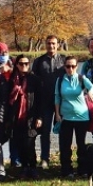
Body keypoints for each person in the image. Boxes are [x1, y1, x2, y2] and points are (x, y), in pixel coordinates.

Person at [55, 55, 93, 178]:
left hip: (82, 117)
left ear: (77, 66)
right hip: (66, 118)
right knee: (65, 146)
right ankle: (67, 170)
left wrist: (89, 92)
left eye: (73, 66)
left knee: (81, 145)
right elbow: (57, 97)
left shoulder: (81, 78)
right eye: (68, 66)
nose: (70, 69)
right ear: (64, 67)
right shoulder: (60, 80)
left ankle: (83, 170)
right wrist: (57, 114)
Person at [32, 35, 65, 169]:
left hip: (61, 102)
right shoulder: (39, 61)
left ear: (58, 45)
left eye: (53, 43)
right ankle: (45, 159)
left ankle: (64, 159)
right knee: (45, 132)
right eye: (49, 43)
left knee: (63, 131)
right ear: (45, 45)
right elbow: (33, 82)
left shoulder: (64, 60)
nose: (51, 46)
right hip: (44, 102)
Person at [7, 55, 42, 178]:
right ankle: (24, 167)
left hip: (31, 117)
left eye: (26, 63)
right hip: (16, 118)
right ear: (17, 65)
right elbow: (7, 100)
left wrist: (39, 117)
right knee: (19, 144)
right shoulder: (12, 80)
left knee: (30, 144)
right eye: (21, 64)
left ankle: (33, 167)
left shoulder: (34, 80)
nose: (24, 66)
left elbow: (40, 100)